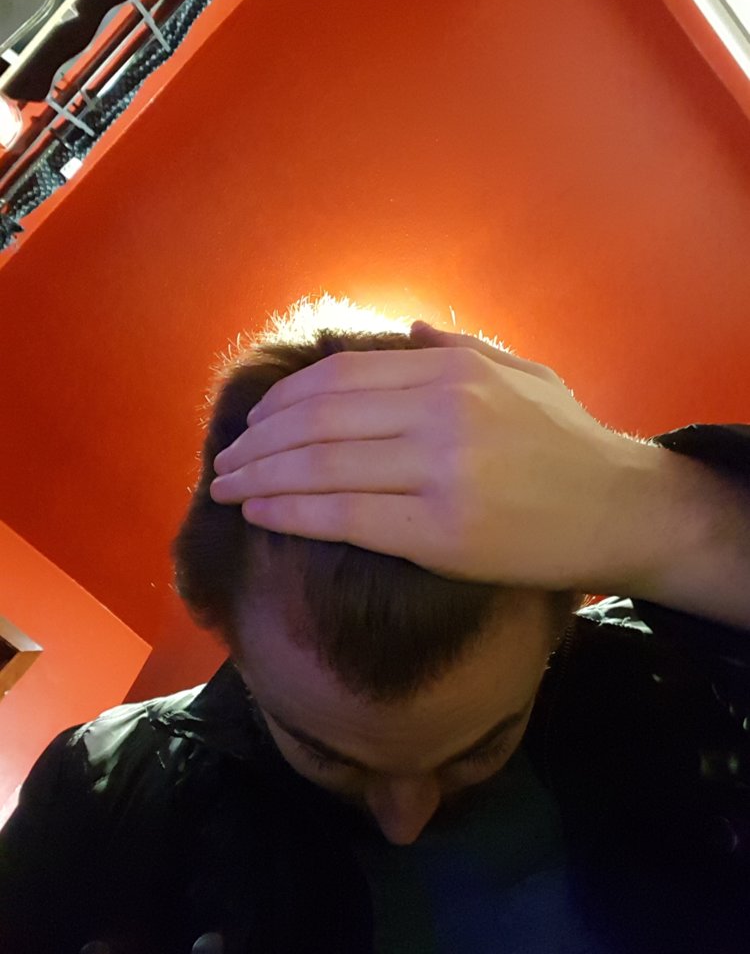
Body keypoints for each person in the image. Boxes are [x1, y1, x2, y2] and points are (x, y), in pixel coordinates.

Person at [1, 294, 749, 954]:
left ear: (567, 612)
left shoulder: (683, 680)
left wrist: (659, 505)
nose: (404, 822)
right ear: (224, 631)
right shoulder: (103, 793)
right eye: (325, 755)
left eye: (480, 749)